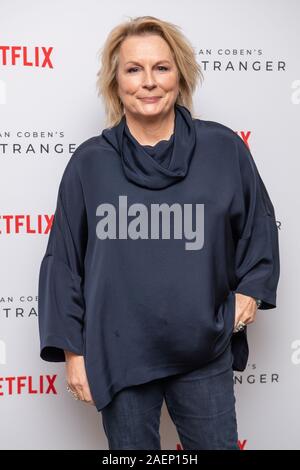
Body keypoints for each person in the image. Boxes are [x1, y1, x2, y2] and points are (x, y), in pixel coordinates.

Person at [37, 16, 280, 450]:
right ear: (115, 82)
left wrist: (250, 292)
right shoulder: (90, 163)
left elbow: (259, 227)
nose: (148, 82)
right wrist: (75, 355)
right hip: (118, 352)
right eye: (133, 69)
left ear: (181, 75)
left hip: (203, 349)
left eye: (161, 68)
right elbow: (64, 261)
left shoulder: (224, 149)